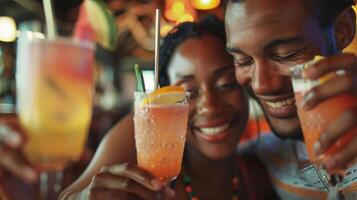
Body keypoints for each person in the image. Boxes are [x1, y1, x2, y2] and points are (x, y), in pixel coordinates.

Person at [60, 16, 277, 200]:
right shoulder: (143, 131)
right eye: (188, 91)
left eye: (226, 84)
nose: (210, 106)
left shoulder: (258, 176)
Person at [224, 0, 357, 199]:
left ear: (341, 30)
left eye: (286, 54)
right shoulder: (258, 146)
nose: (261, 85)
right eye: (243, 61)